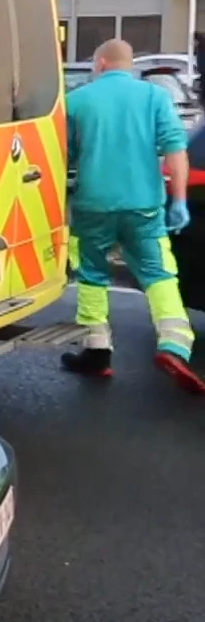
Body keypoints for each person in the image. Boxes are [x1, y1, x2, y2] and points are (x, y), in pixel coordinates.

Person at [62, 38, 202, 391]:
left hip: (93, 205)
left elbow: (65, 158)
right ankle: (175, 344)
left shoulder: (77, 101)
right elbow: (175, 149)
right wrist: (180, 201)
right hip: (145, 205)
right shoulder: (155, 97)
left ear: (102, 64)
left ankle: (97, 352)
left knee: (92, 275)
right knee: (159, 274)